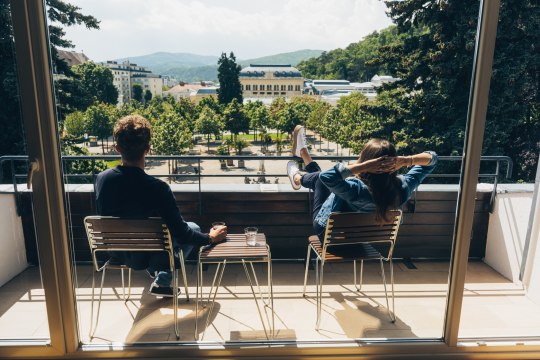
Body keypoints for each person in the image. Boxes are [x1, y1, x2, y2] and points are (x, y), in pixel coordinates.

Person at [95, 115, 227, 297]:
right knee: (191, 227)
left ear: (117, 148)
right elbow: (182, 233)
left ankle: (161, 277)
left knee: (162, 234)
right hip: (149, 256)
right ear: (148, 149)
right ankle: (162, 278)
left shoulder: (102, 179)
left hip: (117, 252)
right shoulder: (157, 188)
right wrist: (210, 238)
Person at [287, 125, 438, 241]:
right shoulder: (403, 187)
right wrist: (406, 161)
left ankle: (297, 178)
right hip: (368, 238)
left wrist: (363, 166)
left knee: (319, 178)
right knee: (327, 182)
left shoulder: (355, 189)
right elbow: (432, 159)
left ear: (366, 160)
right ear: (395, 162)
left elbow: (327, 177)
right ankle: (303, 154)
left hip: (331, 237)